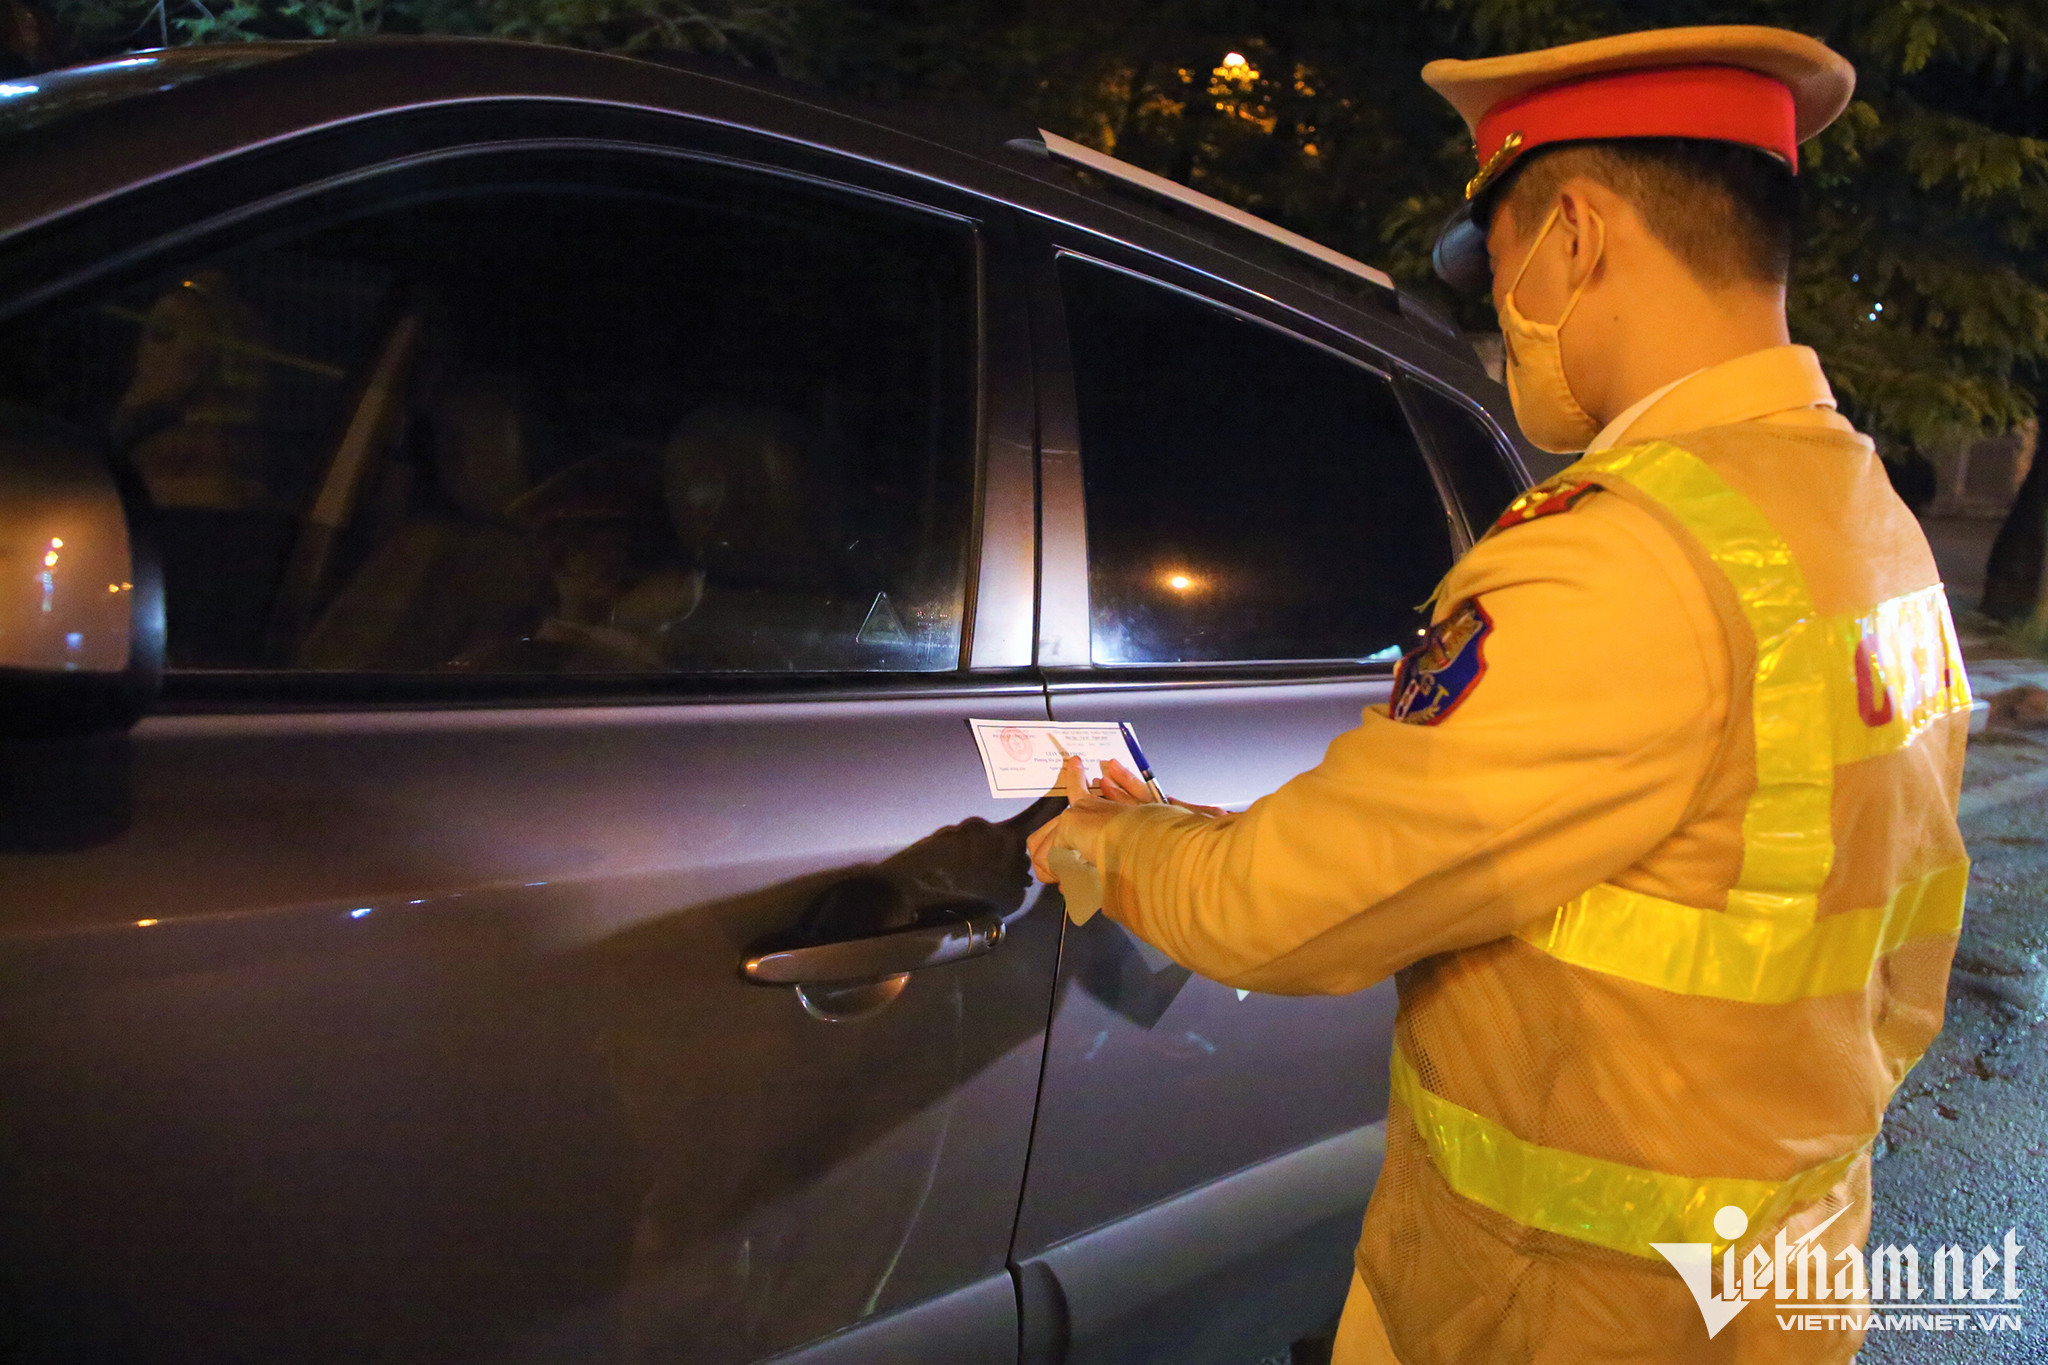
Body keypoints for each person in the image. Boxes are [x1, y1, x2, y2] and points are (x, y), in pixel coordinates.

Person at [1027, 25, 1973, 1364]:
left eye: (1496, 260)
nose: (1498, 309)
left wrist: (1117, 839)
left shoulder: (1624, 556)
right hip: (1771, 1271)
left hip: (1566, 1304)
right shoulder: (1861, 521)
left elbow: (1286, 909)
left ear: (1575, 236)